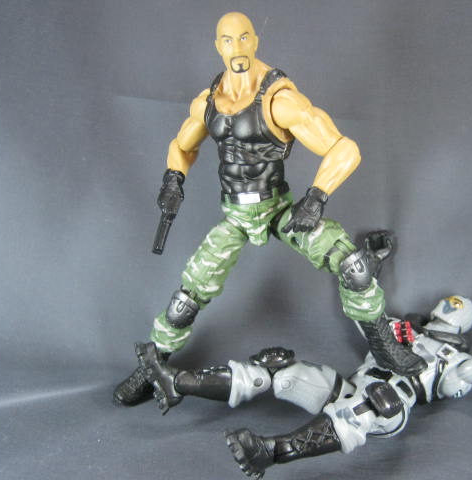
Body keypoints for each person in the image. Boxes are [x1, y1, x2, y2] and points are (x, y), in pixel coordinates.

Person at [114, 12, 422, 407]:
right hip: (236, 217)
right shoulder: (208, 102)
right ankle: (151, 366)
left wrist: (316, 197)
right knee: (188, 295)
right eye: (228, 40)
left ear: (255, 40)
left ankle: (383, 345)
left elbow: (345, 149)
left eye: (244, 38)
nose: (237, 48)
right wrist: (173, 179)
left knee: (353, 266)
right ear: (218, 46)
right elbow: (182, 146)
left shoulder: (280, 100)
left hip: (278, 210)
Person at [134, 295, 472, 478]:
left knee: (372, 405)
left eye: (451, 313)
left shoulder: (452, 362)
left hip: (388, 406)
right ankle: (179, 382)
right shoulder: (402, 330)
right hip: (347, 385)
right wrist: (367, 269)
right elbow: (364, 315)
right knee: (280, 368)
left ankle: (270, 452)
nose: (443, 315)